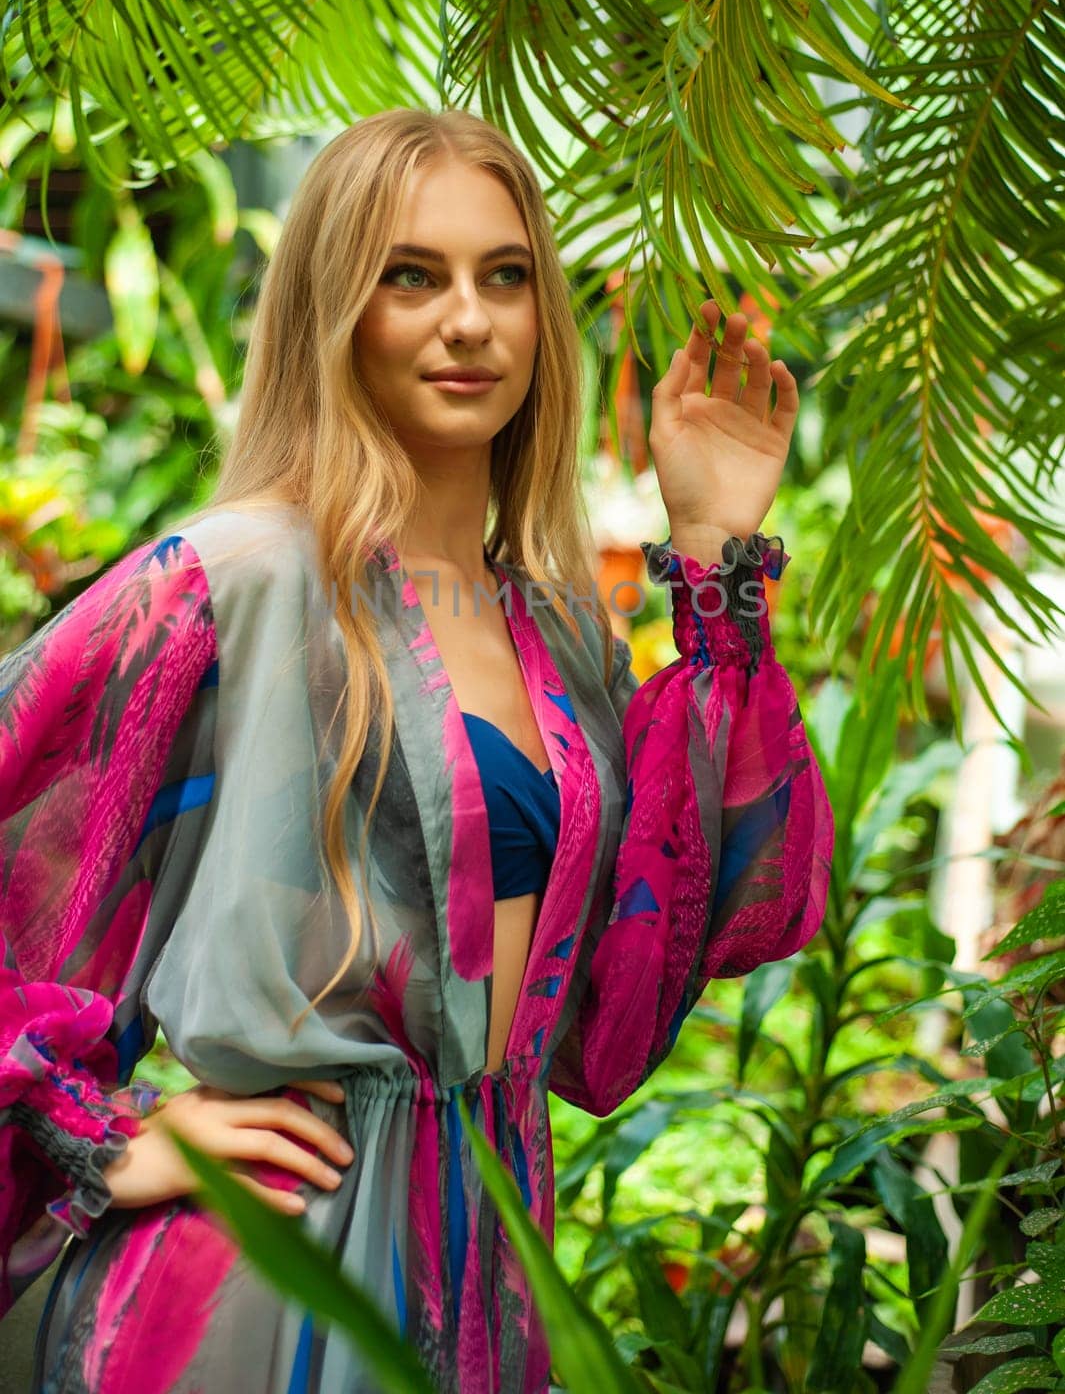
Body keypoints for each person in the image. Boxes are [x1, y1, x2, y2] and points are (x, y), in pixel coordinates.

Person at [0, 107, 835, 1393]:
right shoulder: (233, 581)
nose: (469, 319)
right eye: (412, 275)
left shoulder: (558, 628)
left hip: (489, 1263)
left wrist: (715, 551)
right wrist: (102, 1139)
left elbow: (624, 1001)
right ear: (336, 308)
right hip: (266, 1270)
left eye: (506, 276)